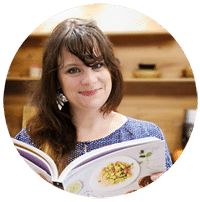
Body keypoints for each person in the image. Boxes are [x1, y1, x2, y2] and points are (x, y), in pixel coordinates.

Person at [15, 18, 172, 177]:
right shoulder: (29, 142)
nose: (90, 80)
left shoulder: (146, 136)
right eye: (73, 70)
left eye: (97, 65)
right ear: (56, 80)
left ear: (111, 70)